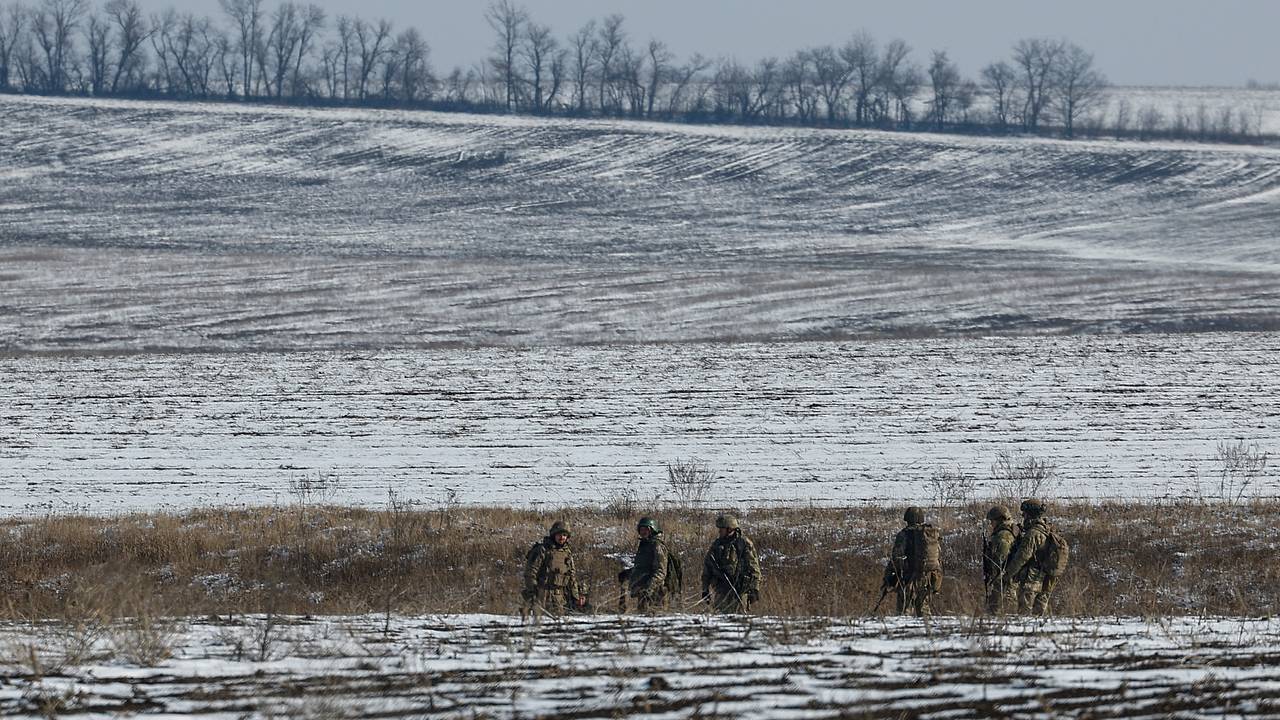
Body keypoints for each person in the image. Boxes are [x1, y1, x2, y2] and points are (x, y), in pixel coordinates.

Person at [881, 506, 942, 616]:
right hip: (927, 578)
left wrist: (889, 578)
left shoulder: (904, 535)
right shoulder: (929, 534)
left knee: (904, 612)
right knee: (924, 612)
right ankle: (927, 632)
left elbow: (896, 558)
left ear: (907, 519)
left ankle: (905, 632)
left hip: (909, 579)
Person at [1004, 498, 1058, 616]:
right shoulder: (1046, 529)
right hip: (1045, 577)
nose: (1023, 517)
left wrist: (1008, 575)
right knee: (1039, 613)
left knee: (1025, 613)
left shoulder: (1033, 533)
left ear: (1029, 515)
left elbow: (1022, 557)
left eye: (1024, 514)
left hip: (1031, 578)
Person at [522, 520, 584, 618]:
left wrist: (576, 597)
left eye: (564, 535)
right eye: (559, 534)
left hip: (560, 598)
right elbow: (530, 573)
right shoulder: (542, 550)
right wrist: (533, 593)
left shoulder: (567, 553)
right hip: (542, 595)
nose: (562, 537)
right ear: (553, 535)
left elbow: (571, 577)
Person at [700, 514, 761, 613]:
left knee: (740, 621)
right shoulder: (717, 545)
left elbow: (754, 568)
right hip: (721, 590)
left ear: (730, 529)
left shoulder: (744, 544)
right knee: (721, 620)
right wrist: (705, 590)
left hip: (740, 590)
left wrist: (755, 589)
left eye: (722, 529)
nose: (719, 531)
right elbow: (707, 568)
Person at [624, 516, 669, 612]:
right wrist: (629, 573)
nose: (643, 532)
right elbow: (643, 567)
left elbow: (661, 571)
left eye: (646, 529)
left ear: (652, 530)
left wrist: (649, 587)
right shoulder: (645, 545)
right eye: (641, 529)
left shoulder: (657, 546)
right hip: (643, 593)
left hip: (656, 593)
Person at [982, 505, 1018, 614]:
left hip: (1003, 582)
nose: (991, 524)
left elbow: (1001, 560)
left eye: (992, 521)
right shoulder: (1004, 533)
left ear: (999, 520)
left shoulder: (1003, 536)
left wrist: (995, 577)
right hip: (1003, 580)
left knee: (999, 611)